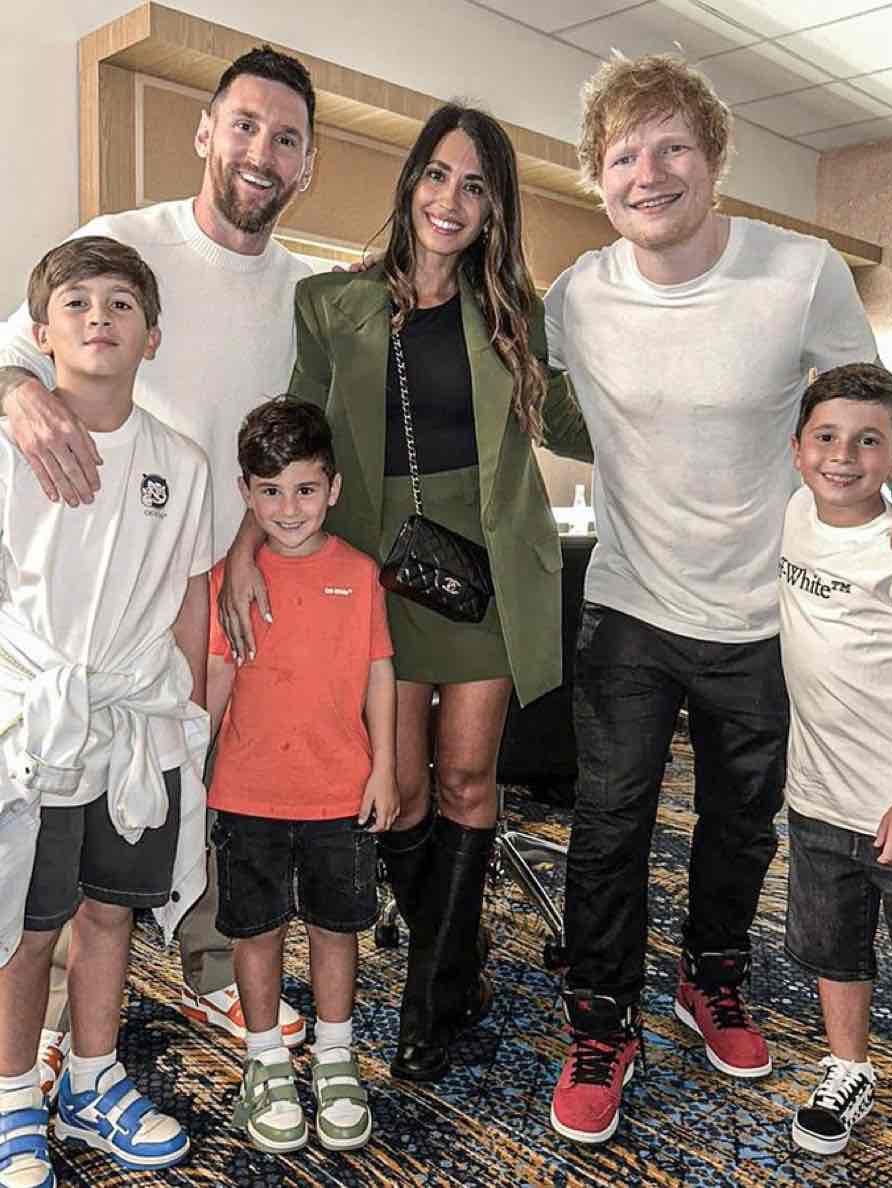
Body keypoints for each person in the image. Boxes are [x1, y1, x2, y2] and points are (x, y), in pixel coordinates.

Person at [543, 52, 892, 1145]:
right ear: (597, 177)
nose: (648, 171)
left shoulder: (800, 271)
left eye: (672, 144)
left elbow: (871, 413)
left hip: (766, 613)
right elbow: (505, 385)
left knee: (738, 825)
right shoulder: (574, 295)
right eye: (622, 154)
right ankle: (599, 1022)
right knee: (610, 823)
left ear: (713, 158)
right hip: (630, 602)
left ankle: (709, 976)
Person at [223, 102, 591, 1082]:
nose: (450, 199)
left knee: (469, 779)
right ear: (410, 182)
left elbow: (577, 428)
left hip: (484, 573)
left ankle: (438, 987)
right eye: (437, 175)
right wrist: (252, 540)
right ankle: (446, 960)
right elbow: (296, 432)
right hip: (373, 576)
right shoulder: (332, 304)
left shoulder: (515, 312)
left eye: (474, 186)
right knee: (398, 790)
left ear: (492, 207)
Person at [0, 45, 317, 1070]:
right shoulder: (118, 249)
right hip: (98, 569)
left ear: (304, 161)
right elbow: (14, 350)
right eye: (245, 125)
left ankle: (210, 965)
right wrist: (20, 399)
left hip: (215, 562)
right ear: (206, 131)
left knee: (202, 778)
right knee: (63, 806)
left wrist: (253, 547)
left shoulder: (301, 291)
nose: (260, 152)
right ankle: (44, 1028)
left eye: (285, 137)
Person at [0, 237, 211, 1183]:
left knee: (110, 912)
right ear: (40, 333)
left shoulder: (181, 463)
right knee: (23, 922)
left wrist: (193, 720)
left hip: (133, 721)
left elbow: (191, 596)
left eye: (121, 304)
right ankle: (10, 1097)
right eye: (76, 303)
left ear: (152, 336)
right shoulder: (11, 452)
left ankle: (90, 1078)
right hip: (32, 724)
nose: (99, 317)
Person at [206, 397, 397, 1154]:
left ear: (335, 488)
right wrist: (191, 769)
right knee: (254, 927)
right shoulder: (232, 580)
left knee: (336, 924)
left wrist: (384, 766)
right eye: (271, 492)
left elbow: (380, 672)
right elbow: (217, 678)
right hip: (248, 790)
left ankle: (337, 1056)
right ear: (247, 495)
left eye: (306, 489)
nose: (289, 509)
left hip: (339, 790)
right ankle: (266, 1061)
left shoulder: (360, 573)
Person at [780, 364, 892, 1188]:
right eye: (826, 437)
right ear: (797, 448)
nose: (843, 457)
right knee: (833, 947)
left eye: (868, 441)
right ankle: (848, 1068)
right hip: (818, 798)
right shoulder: (790, 517)